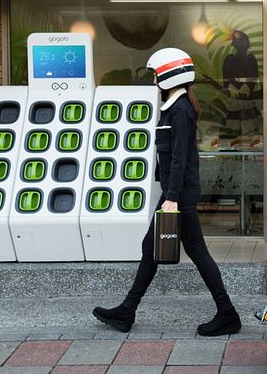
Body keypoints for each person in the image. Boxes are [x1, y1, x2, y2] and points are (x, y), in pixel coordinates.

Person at [93, 48, 242, 337]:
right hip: (177, 192)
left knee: (196, 252)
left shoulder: (181, 109)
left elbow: (179, 158)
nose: (153, 80)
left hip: (180, 194)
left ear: (170, 75)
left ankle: (227, 314)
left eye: (156, 74)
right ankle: (127, 310)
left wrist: (171, 198)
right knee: (153, 250)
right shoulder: (175, 106)